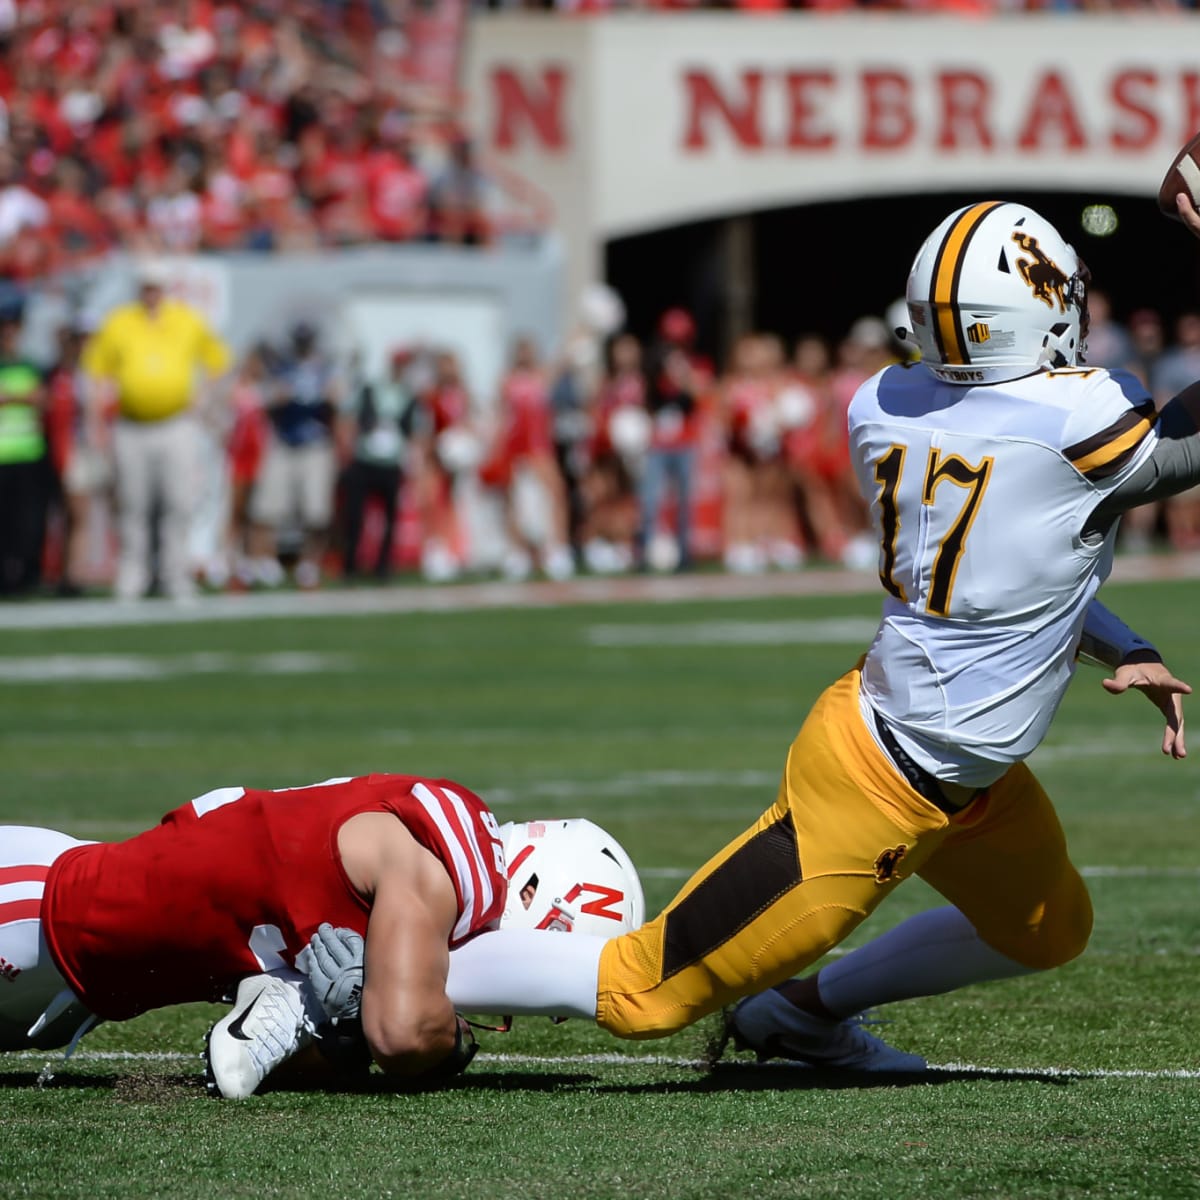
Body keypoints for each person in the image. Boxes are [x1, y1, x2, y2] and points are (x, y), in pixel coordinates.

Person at [415, 196, 1200, 1070]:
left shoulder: (887, 401)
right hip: (878, 782)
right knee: (642, 992)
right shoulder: (1074, 423)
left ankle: (795, 1015)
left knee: (1050, 928)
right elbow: (1115, 475)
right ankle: (364, 978)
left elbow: (1016, 577)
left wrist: (1124, 644)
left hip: (964, 774)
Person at [81, 261, 231, 601]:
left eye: (157, 287)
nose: (151, 293)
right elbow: (97, 373)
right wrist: (95, 424)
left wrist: (203, 400)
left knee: (178, 501)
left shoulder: (186, 320)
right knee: (133, 503)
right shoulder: (120, 321)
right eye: (147, 287)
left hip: (176, 423)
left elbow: (218, 362)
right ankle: (133, 574)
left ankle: (175, 574)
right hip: (131, 424)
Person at [246, 322, 341, 590]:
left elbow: (337, 402)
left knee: (316, 511)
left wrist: (328, 395)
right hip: (285, 442)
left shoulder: (325, 369)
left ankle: (308, 565)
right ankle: (263, 562)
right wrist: (281, 395)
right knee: (267, 508)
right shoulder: (282, 368)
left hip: (315, 443)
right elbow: (267, 401)